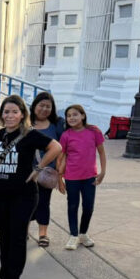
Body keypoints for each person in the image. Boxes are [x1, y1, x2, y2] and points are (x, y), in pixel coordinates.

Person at [0, 95, 61, 279]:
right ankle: (4, 278)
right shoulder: (1, 134)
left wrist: (38, 168)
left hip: (23, 195)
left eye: (14, 111)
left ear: (22, 114)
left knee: (17, 238)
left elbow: (56, 147)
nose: (9, 115)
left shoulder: (30, 134)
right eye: (6, 111)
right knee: (4, 238)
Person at [58, 104, 107, 250]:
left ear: (83, 116)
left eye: (75, 114)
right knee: (72, 206)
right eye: (69, 115)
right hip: (72, 177)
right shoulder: (66, 135)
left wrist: (103, 171)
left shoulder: (94, 131)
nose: (72, 118)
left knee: (88, 207)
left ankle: (83, 233)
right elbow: (61, 156)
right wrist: (60, 178)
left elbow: (102, 152)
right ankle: (73, 235)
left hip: (89, 177)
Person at [29, 91, 65, 248]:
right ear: (34, 106)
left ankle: (43, 234)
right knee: (25, 203)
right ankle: (22, 231)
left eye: (48, 106)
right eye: (41, 105)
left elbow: (63, 148)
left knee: (43, 202)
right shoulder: (25, 122)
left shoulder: (57, 124)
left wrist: (60, 173)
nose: (44, 109)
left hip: (47, 173)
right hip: (26, 172)